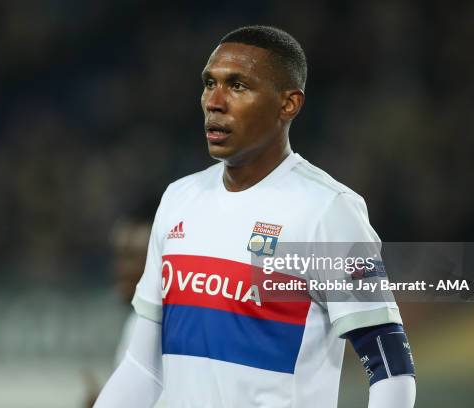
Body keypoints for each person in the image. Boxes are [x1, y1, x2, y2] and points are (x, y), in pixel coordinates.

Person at [94, 25, 416, 408]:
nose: (214, 101)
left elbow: (390, 370)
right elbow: (143, 369)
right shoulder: (179, 200)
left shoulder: (328, 211)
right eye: (209, 83)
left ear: (288, 104)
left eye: (238, 86)